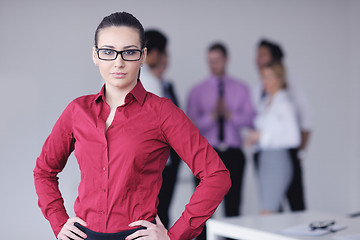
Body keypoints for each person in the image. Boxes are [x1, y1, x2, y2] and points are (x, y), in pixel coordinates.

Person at [33, 12, 231, 240]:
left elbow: (217, 175)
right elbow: (43, 171)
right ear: (95, 55)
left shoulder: (162, 112)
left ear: (143, 56)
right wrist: (59, 222)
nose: (118, 62)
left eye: (129, 52)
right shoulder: (77, 111)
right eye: (108, 52)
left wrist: (175, 235)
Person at [187, 42, 254, 239]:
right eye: (210, 61)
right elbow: (189, 126)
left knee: (234, 205)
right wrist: (213, 116)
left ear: (226, 60)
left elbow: (250, 119)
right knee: (203, 208)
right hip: (206, 155)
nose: (213, 65)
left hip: (233, 153)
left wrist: (231, 115)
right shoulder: (197, 91)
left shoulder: (241, 88)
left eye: (216, 60)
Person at [253, 39, 312, 211]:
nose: (257, 59)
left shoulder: (286, 99)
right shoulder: (262, 95)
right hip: (265, 157)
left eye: (262, 54)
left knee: (291, 205)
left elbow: (302, 125)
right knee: (271, 208)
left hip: (282, 157)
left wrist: (300, 154)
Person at [246, 61, 300, 214]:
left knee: (268, 211)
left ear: (280, 79)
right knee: (268, 210)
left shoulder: (284, 104)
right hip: (264, 159)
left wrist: (263, 137)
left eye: (269, 77)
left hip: (278, 161)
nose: (265, 81)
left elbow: (294, 138)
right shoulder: (265, 102)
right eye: (263, 77)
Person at [140, 29, 181, 229]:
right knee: (157, 217)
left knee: (155, 215)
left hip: (155, 161)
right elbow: (161, 125)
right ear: (155, 54)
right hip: (156, 162)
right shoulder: (149, 82)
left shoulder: (130, 78)